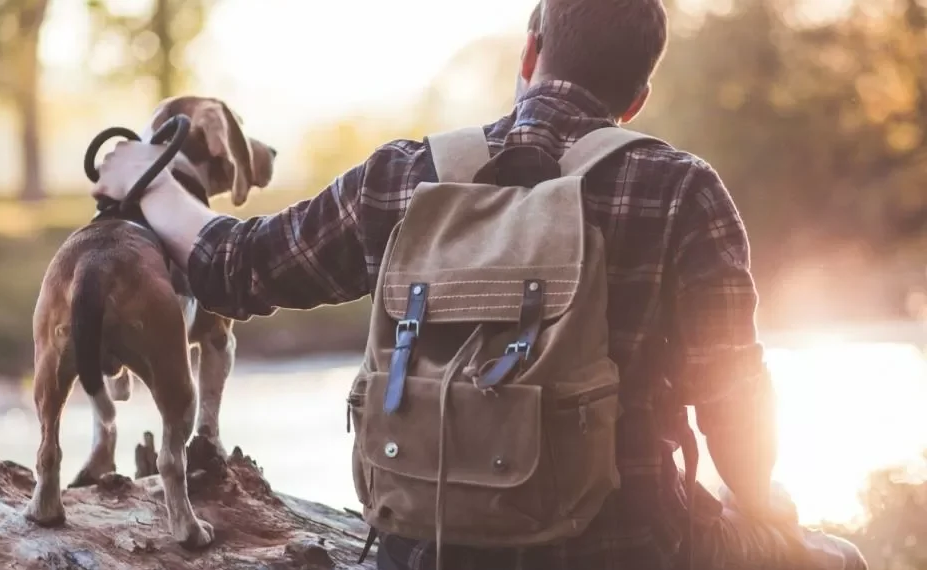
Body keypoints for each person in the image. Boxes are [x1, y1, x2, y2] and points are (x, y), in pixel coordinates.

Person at [91, 1, 868, 569]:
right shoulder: (680, 190)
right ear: (635, 101)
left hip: (419, 552)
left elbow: (236, 268)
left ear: (529, 54)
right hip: (629, 550)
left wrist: (147, 178)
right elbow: (733, 406)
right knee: (837, 561)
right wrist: (773, 517)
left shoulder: (404, 176)